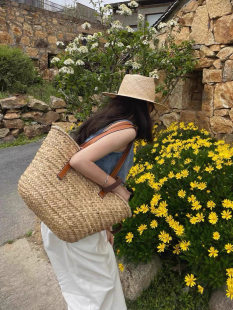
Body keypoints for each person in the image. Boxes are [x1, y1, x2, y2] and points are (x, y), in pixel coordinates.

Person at [41, 74, 165, 310]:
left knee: (81, 291)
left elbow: (93, 169)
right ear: (145, 106)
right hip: (79, 220)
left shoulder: (104, 122)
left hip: (59, 213)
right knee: (99, 292)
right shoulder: (127, 130)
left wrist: (105, 223)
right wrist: (119, 189)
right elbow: (79, 161)